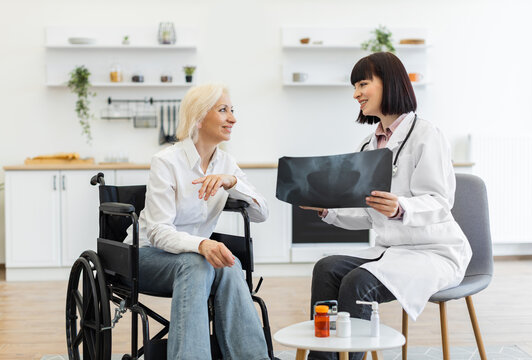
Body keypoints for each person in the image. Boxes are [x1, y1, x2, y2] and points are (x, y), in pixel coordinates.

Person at [302, 52, 472, 360]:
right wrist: (327, 209)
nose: (355, 94)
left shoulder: (426, 135)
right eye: (354, 87)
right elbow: (366, 214)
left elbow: (440, 202)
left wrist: (401, 208)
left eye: (363, 84)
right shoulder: (369, 146)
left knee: (358, 281)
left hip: (433, 251)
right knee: (326, 268)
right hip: (391, 252)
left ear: (389, 83)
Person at [125, 83, 270, 360]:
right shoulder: (166, 162)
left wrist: (233, 182)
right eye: (223, 110)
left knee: (229, 264)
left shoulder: (227, 163)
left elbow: (261, 213)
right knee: (198, 262)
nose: (233, 118)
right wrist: (202, 244)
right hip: (144, 256)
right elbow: (157, 232)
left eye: (233, 110)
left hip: (195, 261)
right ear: (200, 117)